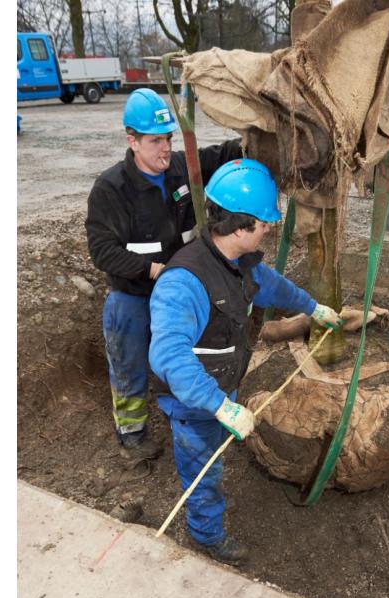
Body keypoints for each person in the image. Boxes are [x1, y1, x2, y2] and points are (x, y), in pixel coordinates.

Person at [148, 159, 344, 565]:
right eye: (264, 224)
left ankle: (208, 512)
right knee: (204, 473)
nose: (269, 229)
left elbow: (270, 286)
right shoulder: (185, 282)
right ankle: (207, 535)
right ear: (240, 227)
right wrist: (219, 406)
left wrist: (312, 307)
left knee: (213, 456)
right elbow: (168, 355)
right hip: (194, 401)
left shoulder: (239, 261)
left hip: (222, 386)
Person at [85, 88, 243, 460]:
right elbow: (102, 251)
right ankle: (132, 433)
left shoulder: (178, 169)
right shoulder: (111, 190)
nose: (165, 149)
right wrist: (154, 270)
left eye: (169, 139)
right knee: (129, 361)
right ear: (132, 141)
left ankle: (186, 417)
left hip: (180, 292)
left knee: (181, 355)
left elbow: (218, 157)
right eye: (156, 140)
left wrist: (252, 140)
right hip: (134, 295)